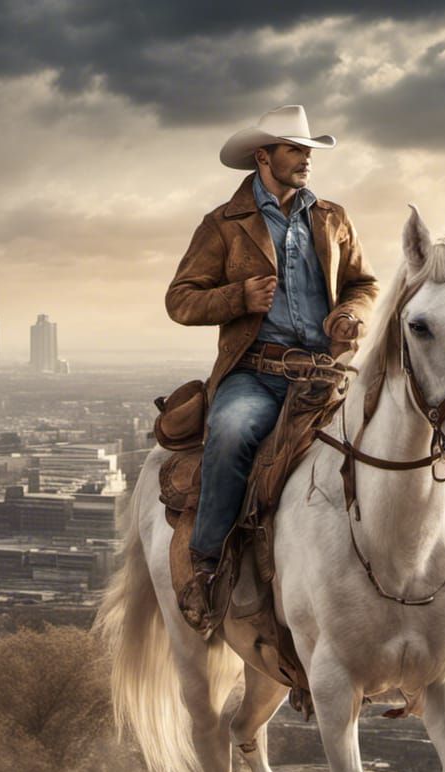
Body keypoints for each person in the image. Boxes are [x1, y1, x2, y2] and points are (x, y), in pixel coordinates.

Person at [165, 105, 379, 628]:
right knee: (234, 432)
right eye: (295, 149)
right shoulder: (222, 226)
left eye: (308, 150)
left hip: (326, 374)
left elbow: (364, 284)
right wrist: (238, 297)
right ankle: (208, 565)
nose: (306, 158)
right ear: (263, 157)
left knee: (402, 436)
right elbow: (180, 301)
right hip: (256, 372)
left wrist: (352, 315)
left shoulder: (333, 217)